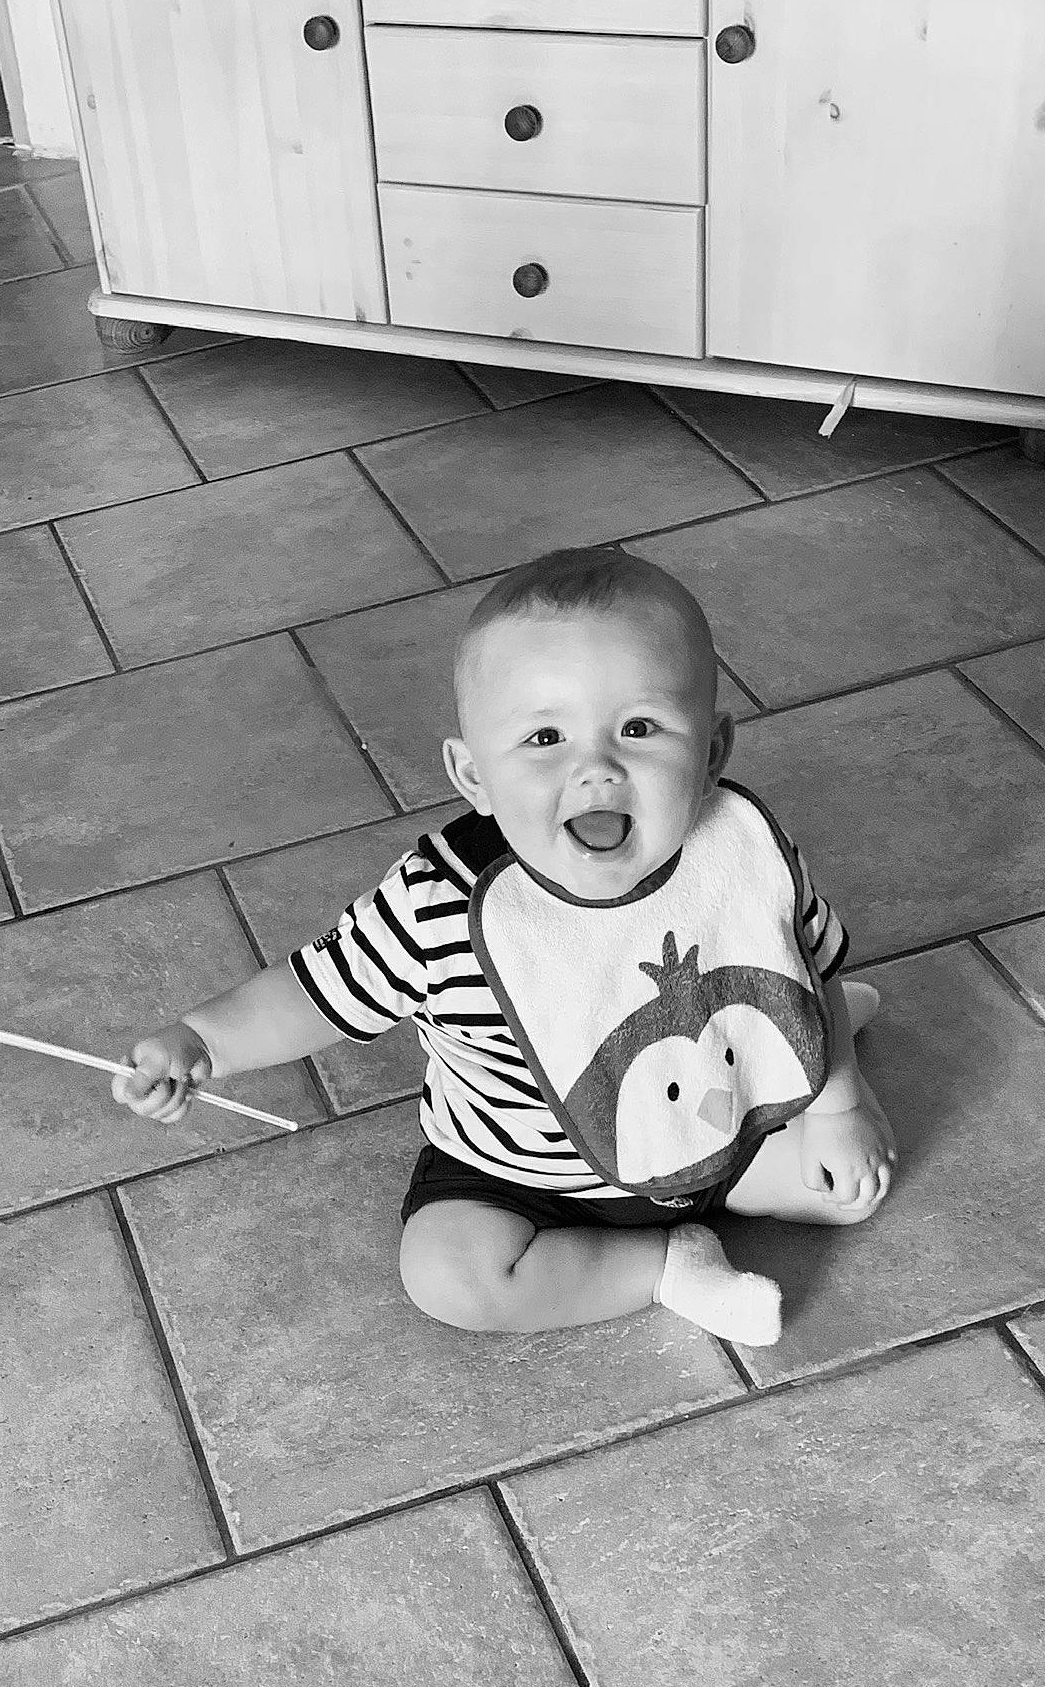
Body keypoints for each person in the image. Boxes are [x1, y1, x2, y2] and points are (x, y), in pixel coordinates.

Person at [112, 548, 896, 1348]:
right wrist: (202, 1040)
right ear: (473, 774)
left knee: (850, 1180)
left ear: (713, 753)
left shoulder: (740, 852)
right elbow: (311, 994)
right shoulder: (439, 904)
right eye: (544, 737)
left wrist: (838, 1109)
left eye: (639, 728)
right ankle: (665, 1267)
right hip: (516, 1180)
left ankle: (802, 1051)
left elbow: (808, 963)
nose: (596, 768)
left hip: (720, 1131)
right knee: (451, 1276)